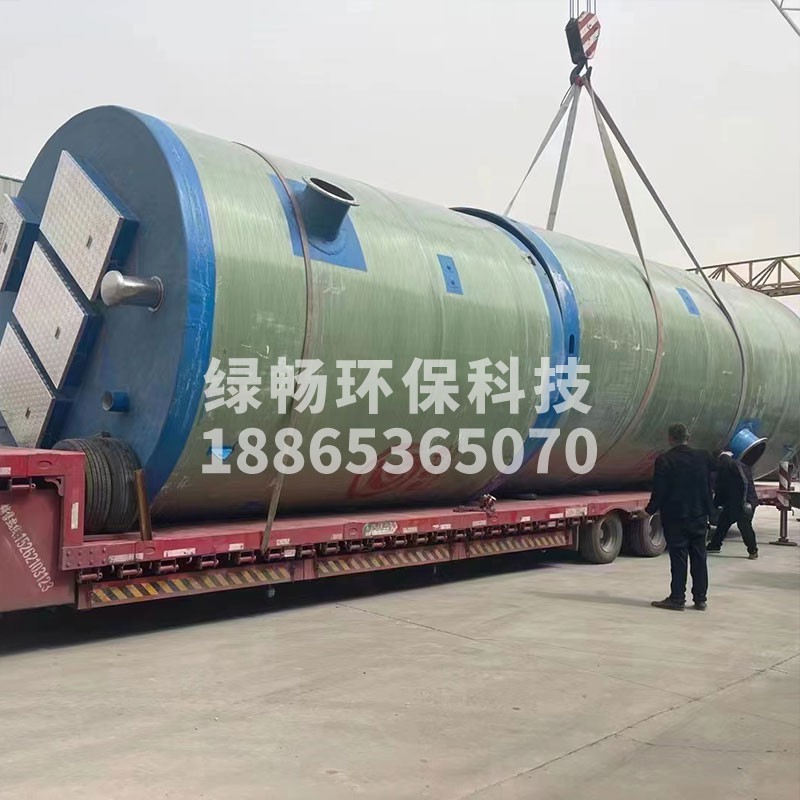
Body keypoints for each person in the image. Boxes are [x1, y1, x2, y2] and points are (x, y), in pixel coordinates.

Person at [639, 423, 716, 611]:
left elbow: (659, 490)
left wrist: (649, 510)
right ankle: (700, 599)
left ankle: (677, 598)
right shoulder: (703, 456)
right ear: (687, 437)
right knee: (699, 557)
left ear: (670, 439)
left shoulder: (665, 460)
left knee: (679, 558)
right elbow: (713, 477)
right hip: (699, 514)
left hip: (675, 517)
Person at [707, 452, 759, 559]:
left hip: (742, 503)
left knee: (744, 527)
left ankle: (753, 550)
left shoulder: (727, 469)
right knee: (723, 523)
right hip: (735, 502)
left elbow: (722, 488)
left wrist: (715, 504)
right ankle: (715, 545)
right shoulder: (739, 467)